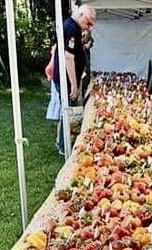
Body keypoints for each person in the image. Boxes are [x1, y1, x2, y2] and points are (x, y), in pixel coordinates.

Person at [53, 4, 97, 155]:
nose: (89, 26)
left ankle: (61, 142)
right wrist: (73, 83)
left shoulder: (72, 26)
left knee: (67, 111)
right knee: (68, 111)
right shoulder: (72, 28)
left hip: (66, 78)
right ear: (81, 15)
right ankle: (64, 147)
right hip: (65, 79)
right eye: (88, 22)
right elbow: (68, 58)